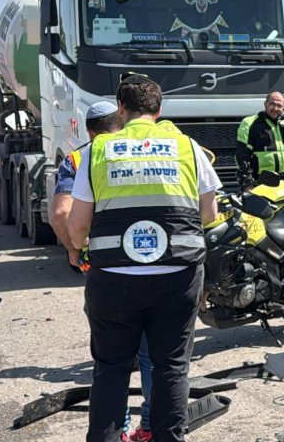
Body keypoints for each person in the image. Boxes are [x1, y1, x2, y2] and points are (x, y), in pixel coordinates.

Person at [67, 74, 221, 442]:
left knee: (111, 367)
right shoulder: (188, 147)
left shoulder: (99, 150)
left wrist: (79, 246)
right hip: (177, 275)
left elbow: (77, 226)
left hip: (115, 277)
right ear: (159, 109)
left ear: (121, 109)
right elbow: (209, 213)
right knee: (171, 366)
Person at [49, 101, 154, 442]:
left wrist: (74, 250)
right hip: (151, 258)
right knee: (151, 354)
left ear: (89, 131)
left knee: (112, 357)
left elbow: (61, 213)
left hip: (104, 267)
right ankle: (150, 426)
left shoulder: (78, 158)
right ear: (120, 121)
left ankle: (118, 429)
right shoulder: (145, 149)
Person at [235, 91, 284, 186]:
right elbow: (242, 156)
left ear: (283, 107)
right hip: (261, 180)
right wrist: (247, 183)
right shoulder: (249, 123)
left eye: (279, 106)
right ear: (265, 104)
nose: (275, 108)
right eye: (272, 104)